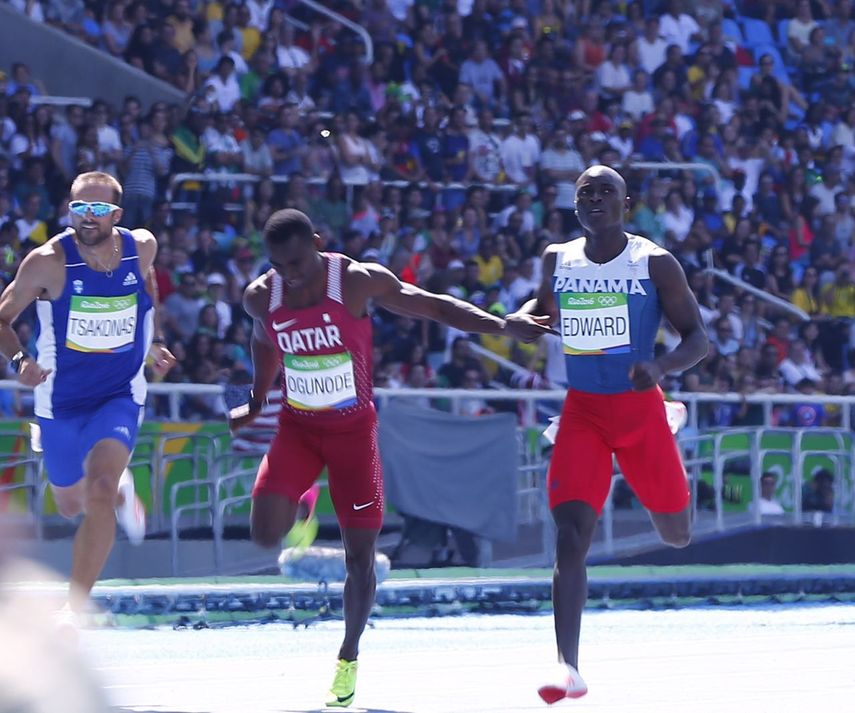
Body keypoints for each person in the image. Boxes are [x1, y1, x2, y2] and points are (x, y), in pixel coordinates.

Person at [227, 209, 552, 708]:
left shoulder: (356, 282)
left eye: (297, 263)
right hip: (298, 429)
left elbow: (435, 307)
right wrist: (256, 398)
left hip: (354, 436)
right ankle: (306, 496)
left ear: (317, 242)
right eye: (279, 266)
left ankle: (347, 656)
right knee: (264, 533)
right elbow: (263, 340)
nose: (289, 275)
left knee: (361, 558)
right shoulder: (261, 296)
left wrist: (504, 326)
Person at [509, 166, 708, 702]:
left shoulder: (654, 262)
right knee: (571, 536)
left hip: (640, 411)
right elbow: (544, 309)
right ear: (575, 204)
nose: (594, 199)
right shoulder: (558, 257)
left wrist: (661, 368)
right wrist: (523, 318)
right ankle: (566, 666)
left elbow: (698, 340)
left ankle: (670, 415)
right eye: (585, 192)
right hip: (584, 414)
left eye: (605, 192)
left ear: (626, 203)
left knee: (677, 535)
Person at [0, 171, 175, 615]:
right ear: (69, 210)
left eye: (98, 209)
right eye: (80, 208)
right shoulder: (47, 261)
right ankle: (118, 492)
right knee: (71, 504)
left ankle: (73, 611)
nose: (88, 217)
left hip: (120, 391)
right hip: (60, 400)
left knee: (97, 486)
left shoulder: (142, 246)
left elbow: (146, 282)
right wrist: (20, 362)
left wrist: (151, 340)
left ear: (116, 214)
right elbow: (2, 317)